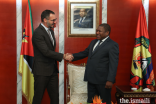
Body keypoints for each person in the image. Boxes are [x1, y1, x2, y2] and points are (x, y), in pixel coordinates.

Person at [68, 23, 119, 104]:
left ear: (107, 33)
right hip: (91, 79)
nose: (97, 33)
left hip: (103, 81)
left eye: (100, 31)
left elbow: (114, 64)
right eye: (96, 31)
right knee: (91, 101)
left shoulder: (113, 45)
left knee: (105, 102)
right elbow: (85, 53)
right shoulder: (93, 42)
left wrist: (110, 80)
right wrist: (72, 56)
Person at [32, 10, 73, 104]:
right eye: (53, 20)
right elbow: (46, 52)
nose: (55, 22)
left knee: (55, 97)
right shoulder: (38, 33)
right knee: (38, 97)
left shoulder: (50, 31)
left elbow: (50, 50)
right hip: (41, 71)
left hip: (52, 70)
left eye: (55, 19)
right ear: (44, 20)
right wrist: (63, 56)